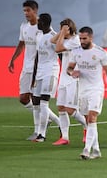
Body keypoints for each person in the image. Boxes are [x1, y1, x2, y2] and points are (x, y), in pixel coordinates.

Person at [8, 0, 59, 140]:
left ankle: (40, 130)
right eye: (24, 11)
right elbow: (21, 44)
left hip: (41, 68)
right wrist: (13, 59)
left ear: (35, 11)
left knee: (38, 100)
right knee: (24, 98)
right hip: (27, 67)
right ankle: (50, 119)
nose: (26, 13)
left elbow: (53, 42)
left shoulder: (43, 27)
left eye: (28, 10)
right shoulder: (24, 27)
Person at [67, 26, 107, 160]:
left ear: (91, 37)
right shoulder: (76, 52)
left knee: (92, 118)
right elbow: (69, 68)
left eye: (84, 38)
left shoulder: (101, 53)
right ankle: (96, 150)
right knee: (88, 121)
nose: (82, 41)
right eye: (80, 38)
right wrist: (72, 73)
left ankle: (86, 150)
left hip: (96, 89)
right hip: (82, 90)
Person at [50, 18, 87, 146]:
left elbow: (57, 48)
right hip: (64, 77)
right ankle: (65, 137)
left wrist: (63, 33)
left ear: (69, 28)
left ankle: (88, 126)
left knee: (70, 110)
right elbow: (52, 40)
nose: (61, 31)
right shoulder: (65, 38)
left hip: (73, 78)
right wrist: (62, 32)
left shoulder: (75, 40)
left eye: (63, 28)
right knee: (60, 107)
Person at [32, 13, 61, 142]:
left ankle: (41, 135)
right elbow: (38, 56)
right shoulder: (39, 35)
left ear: (43, 23)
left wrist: (66, 73)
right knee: (36, 103)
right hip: (40, 72)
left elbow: (60, 55)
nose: (37, 23)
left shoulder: (53, 37)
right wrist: (34, 75)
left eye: (38, 21)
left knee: (44, 103)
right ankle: (60, 123)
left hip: (51, 72)